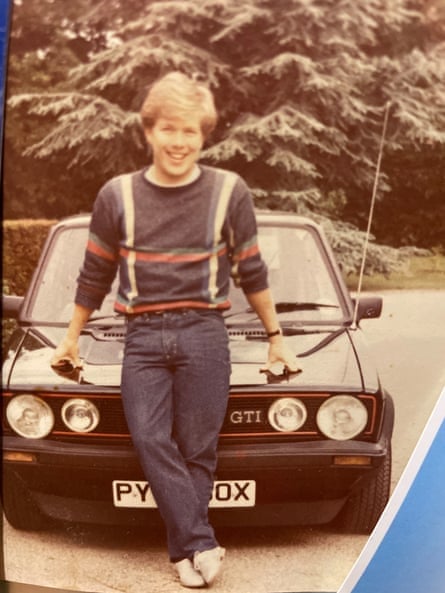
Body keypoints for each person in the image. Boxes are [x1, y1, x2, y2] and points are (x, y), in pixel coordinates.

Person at [51, 71, 301, 589]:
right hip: (141, 337)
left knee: (197, 448)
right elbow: (95, 273)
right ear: (148, 132)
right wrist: (71, 336)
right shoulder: (116, 195)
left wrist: (277, 336)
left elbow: (252, 271)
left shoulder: (229, 191)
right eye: (169, 129)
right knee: (148, 436)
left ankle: (183, 552)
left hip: (206, 334)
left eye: (190, 131)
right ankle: (202, 540)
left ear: (203, 135)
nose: (179, 142)